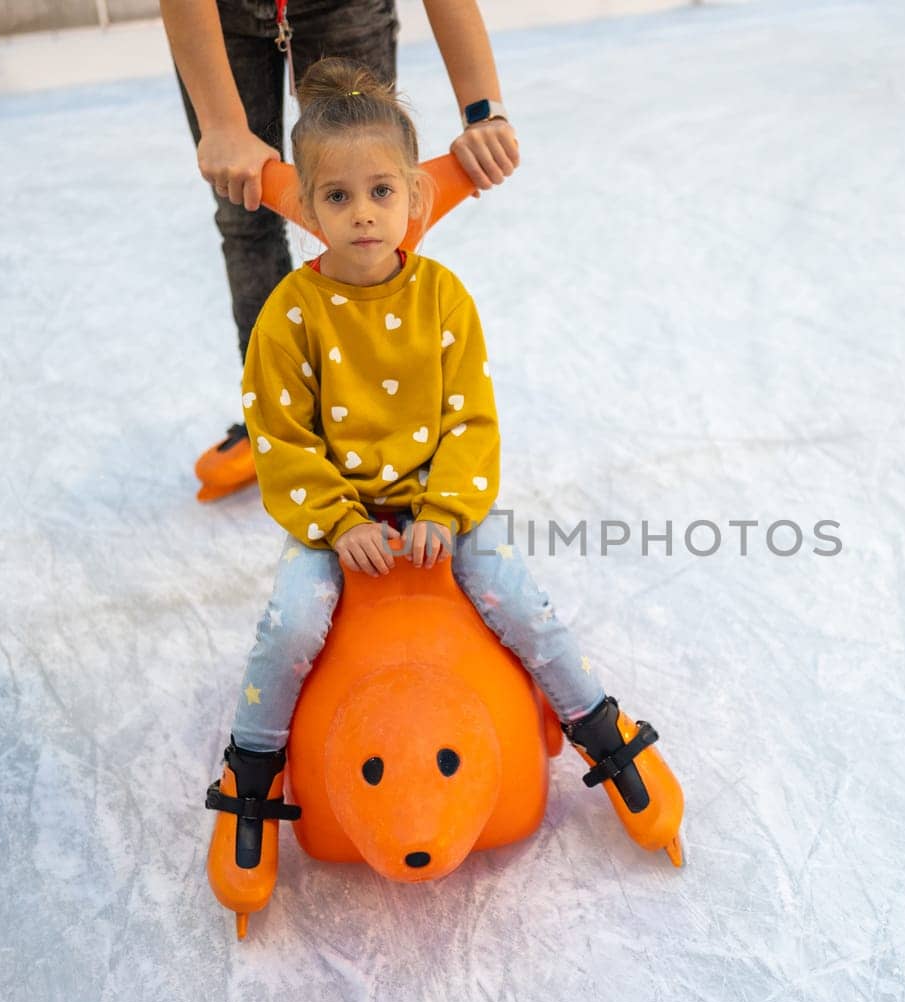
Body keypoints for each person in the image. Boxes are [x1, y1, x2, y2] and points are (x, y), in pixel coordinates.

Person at [202, 60, 682, 913]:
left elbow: (471, 422)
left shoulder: (444, 299)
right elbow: (280, 435)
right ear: (307, 208)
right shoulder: (291, 315)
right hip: (335, 515)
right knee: (293, 620)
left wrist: (444, 508)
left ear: (415, 201)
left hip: (436, 503)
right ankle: (251, 771)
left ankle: (602, 729)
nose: (362, 213)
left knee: (515, 594)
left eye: (381, 190)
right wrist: (334, 518)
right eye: (338, 196)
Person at [160, 0, 522, 498]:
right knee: (244, 210)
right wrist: (222, 125)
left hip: (344, 6)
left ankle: (393, 421)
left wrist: (484, 112)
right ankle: (276, 417)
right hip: (223, 15)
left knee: (375, 183)